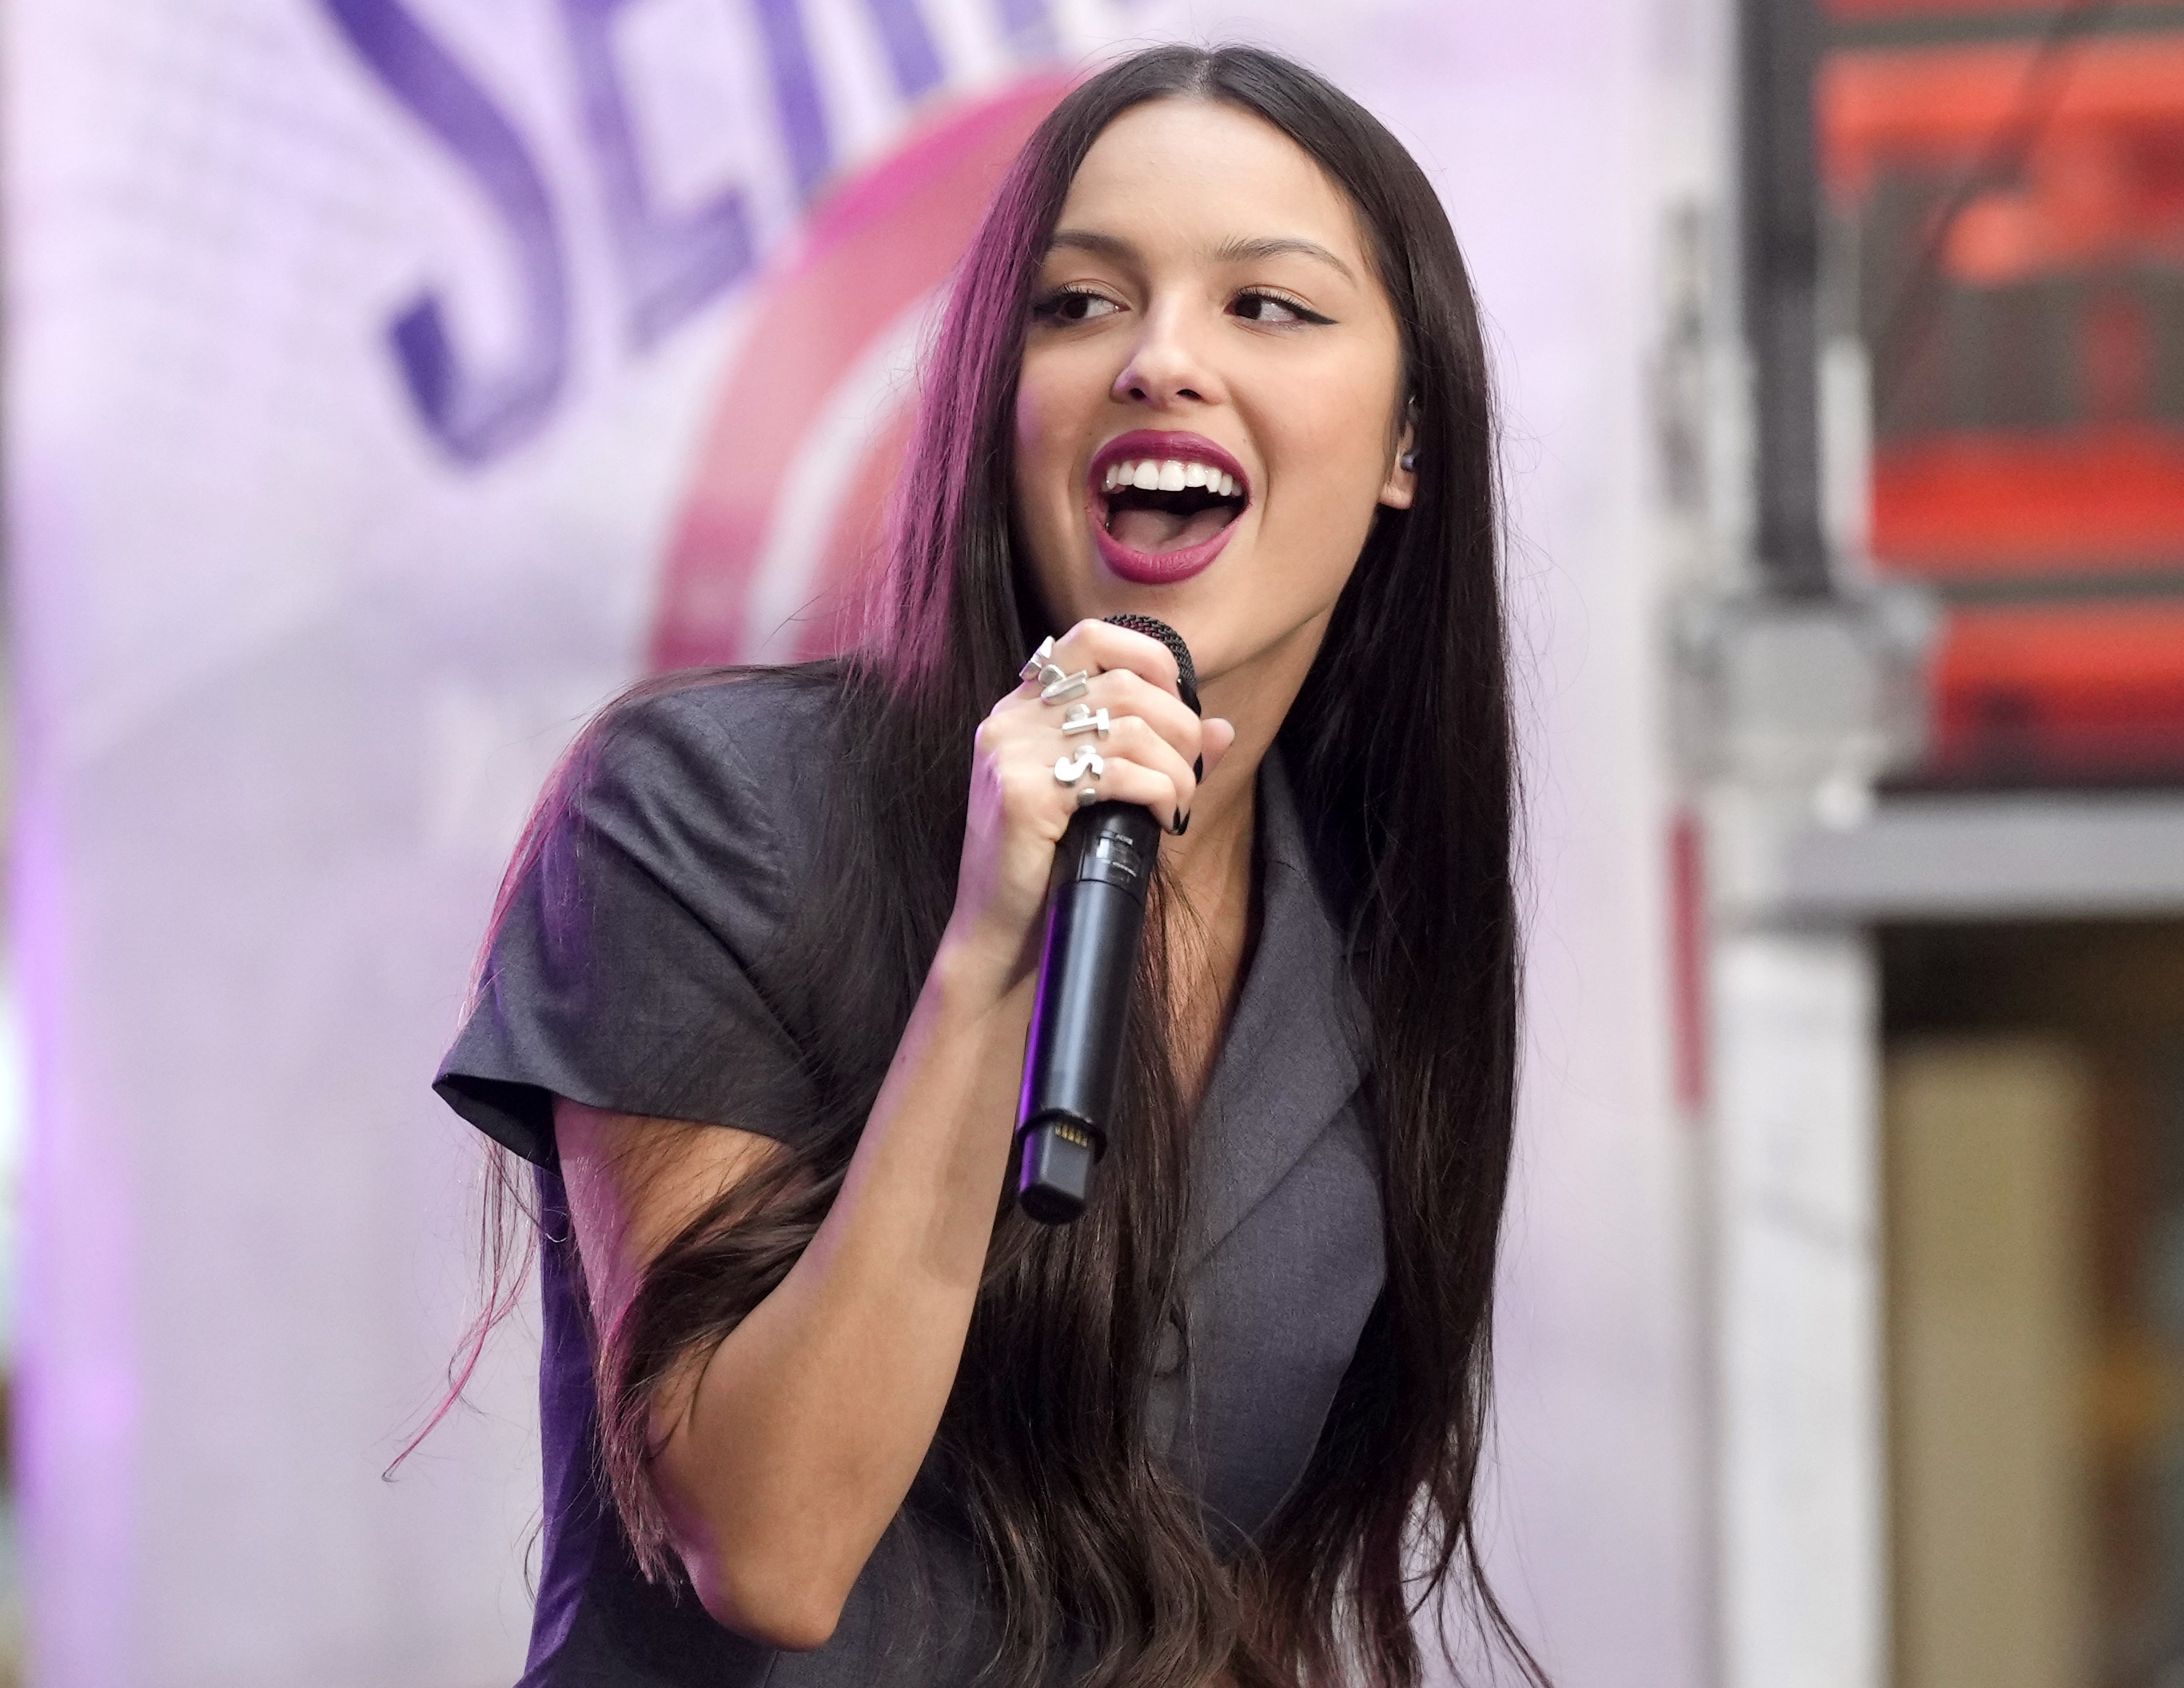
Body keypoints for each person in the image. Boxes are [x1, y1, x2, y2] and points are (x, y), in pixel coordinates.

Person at [433, 42, 1536, 1688]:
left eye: (1267, 308)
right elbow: (769, 1544)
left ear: (1406, 447)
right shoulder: (705, 815)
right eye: (1079, 303)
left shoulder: (1366, 953)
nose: (1161, 359)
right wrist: (988, 952)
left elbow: (1234, 1606)